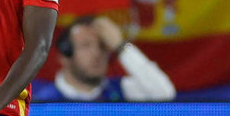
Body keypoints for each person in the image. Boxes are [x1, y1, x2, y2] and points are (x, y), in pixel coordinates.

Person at [32, 15, 175, 101]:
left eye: (102, 46)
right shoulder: (43, 102)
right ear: (65, 55)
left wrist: (122, 46)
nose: (96, 53)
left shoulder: (120, 91)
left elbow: (164, 93)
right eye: (86, 46)